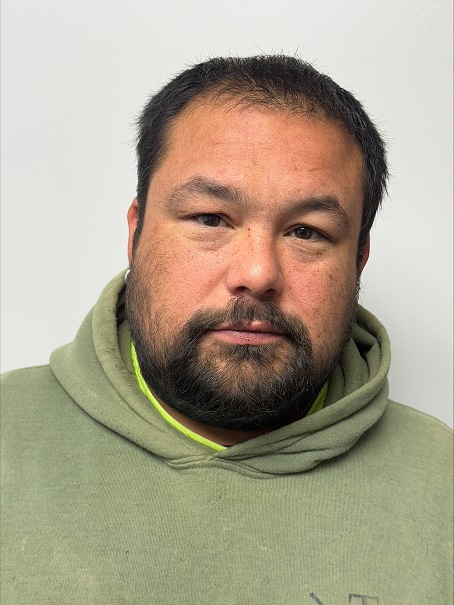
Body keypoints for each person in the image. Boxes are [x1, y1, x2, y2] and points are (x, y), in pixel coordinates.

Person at [1, 55, 452, 604]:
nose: (257, 274)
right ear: (136, 232)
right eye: (210, 219)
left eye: (307, 232)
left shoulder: (443, 483)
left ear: (358, 260)